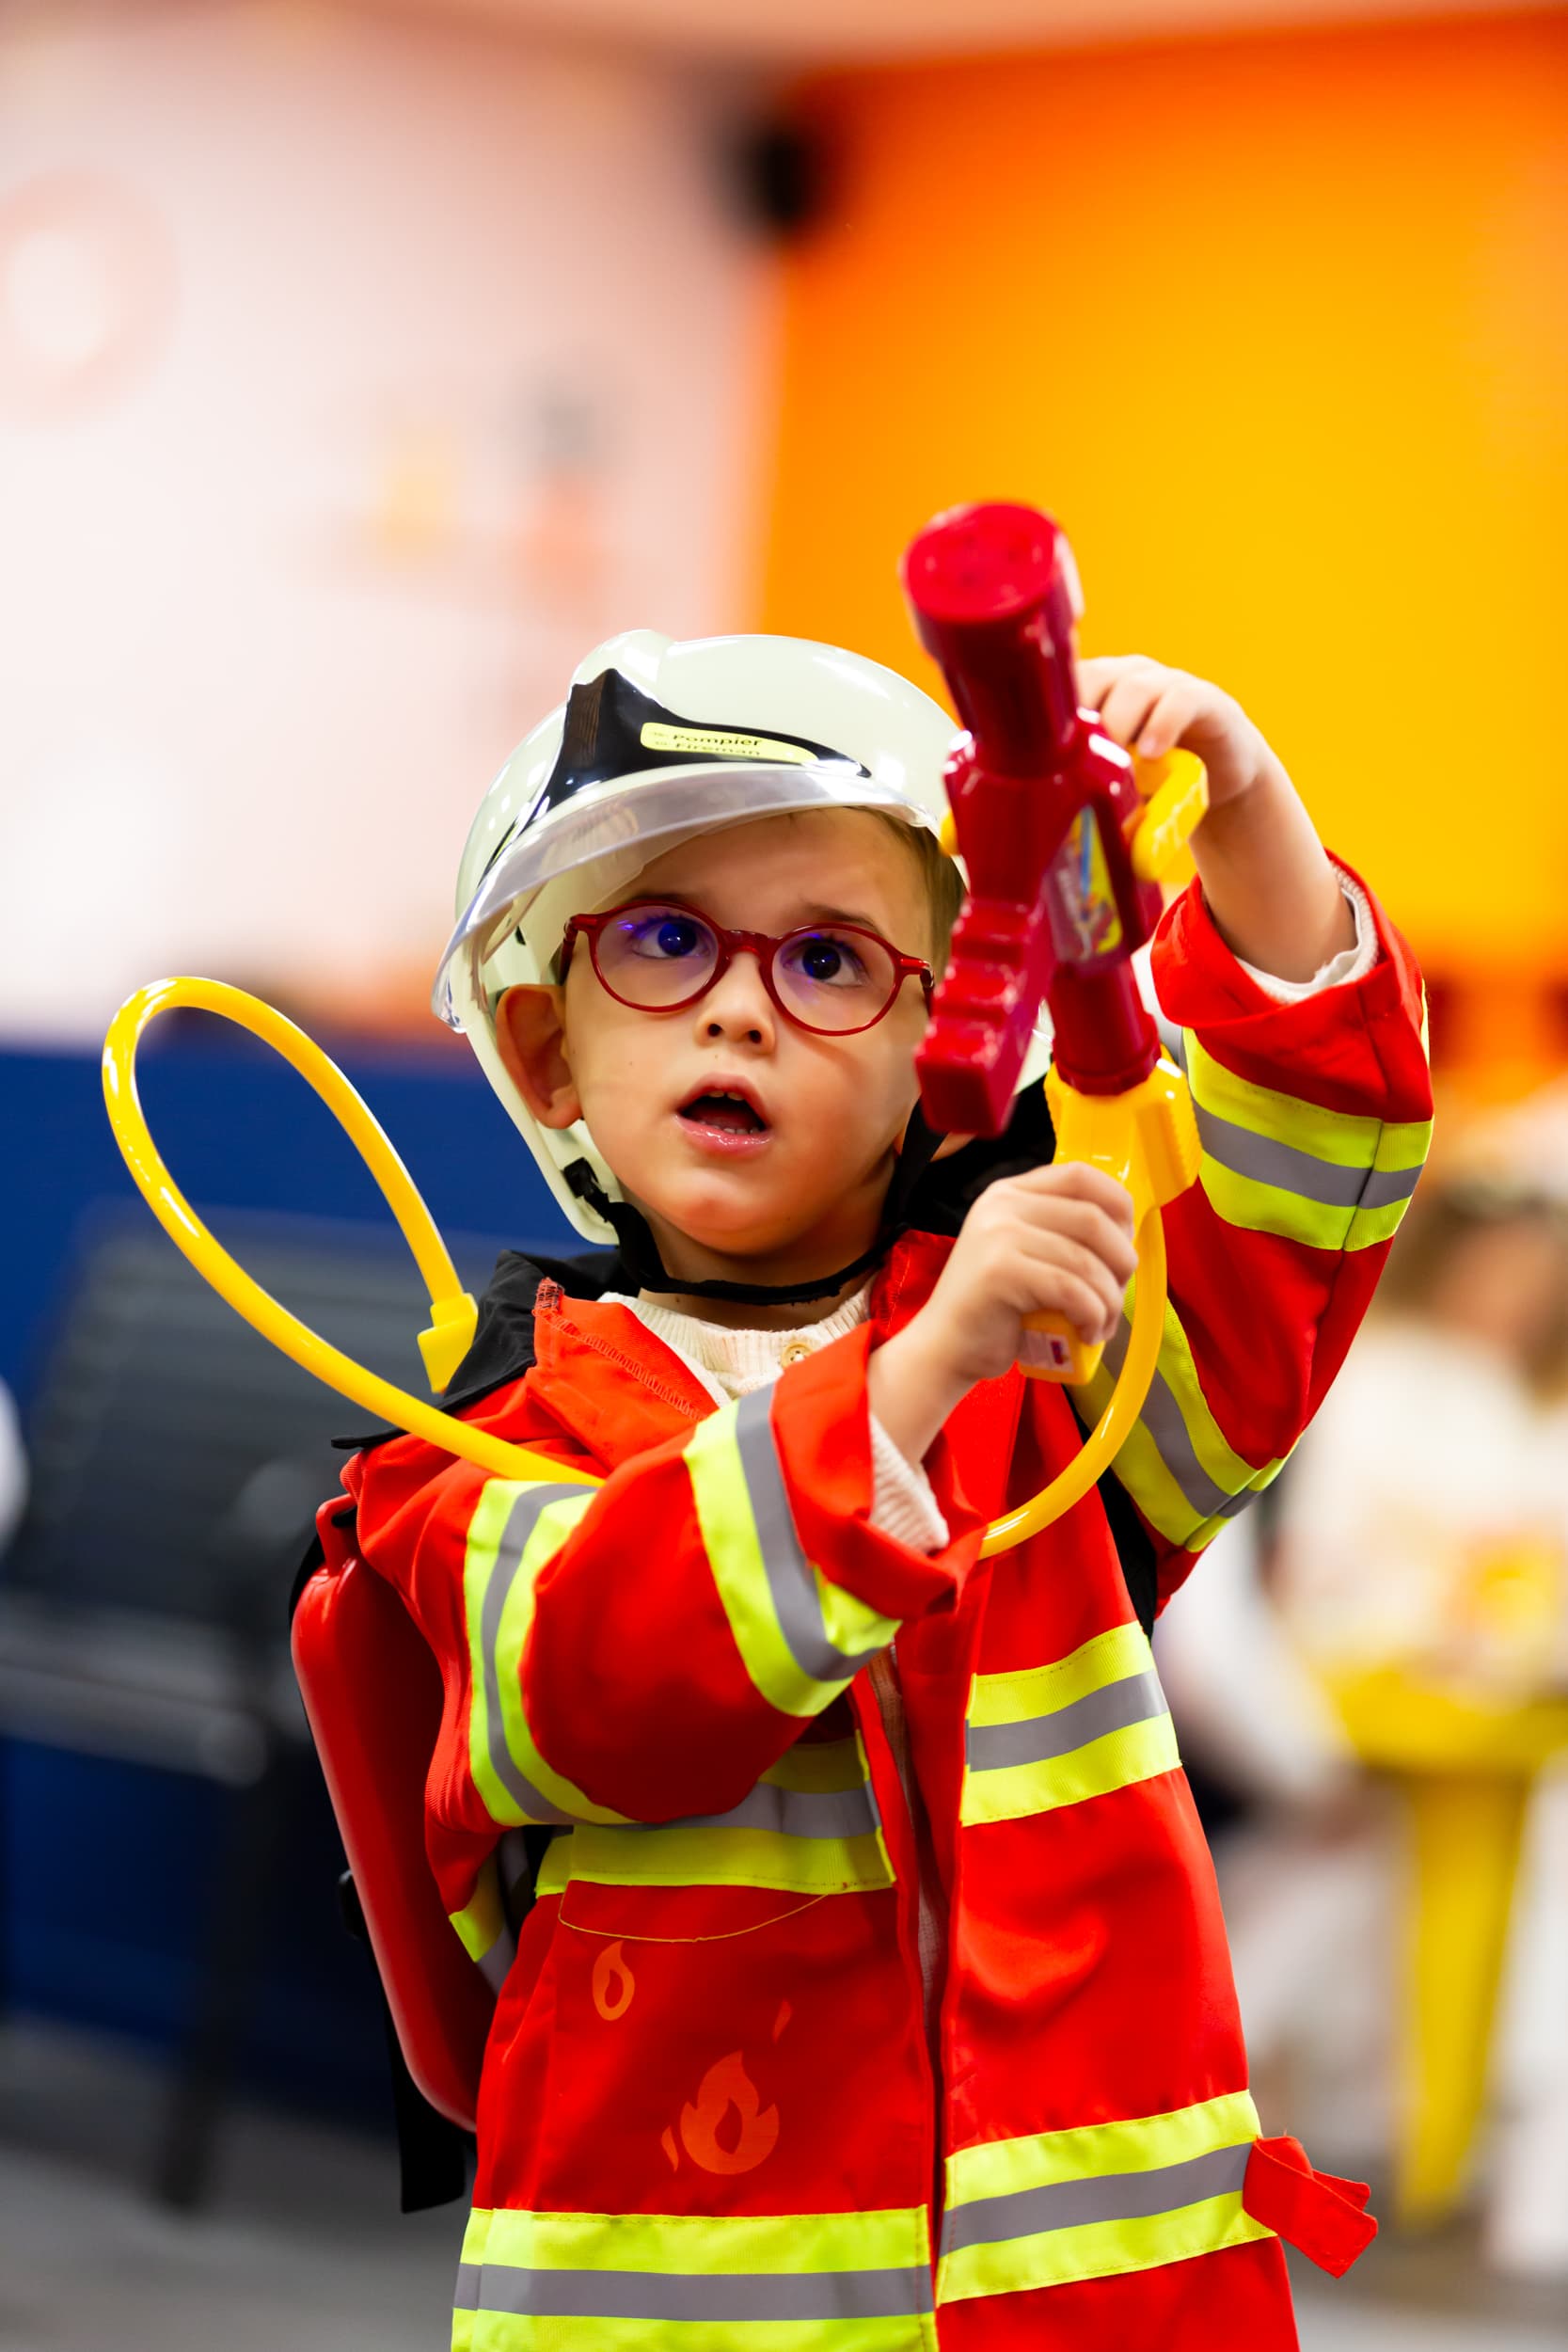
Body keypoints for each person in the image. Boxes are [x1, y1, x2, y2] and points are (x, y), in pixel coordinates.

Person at [314, 624, 1432, 2350]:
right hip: (682, 2313)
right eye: (667, 940)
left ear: (947, 1045)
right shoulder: (472, 1451)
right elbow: (605, 1690)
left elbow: (1306, 1200)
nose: (745, 1002)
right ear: (546, 1056)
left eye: (832, 960)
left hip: (1092, 2306)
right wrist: (911, 1377)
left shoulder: (1065, 1392)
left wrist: (1250, 806)